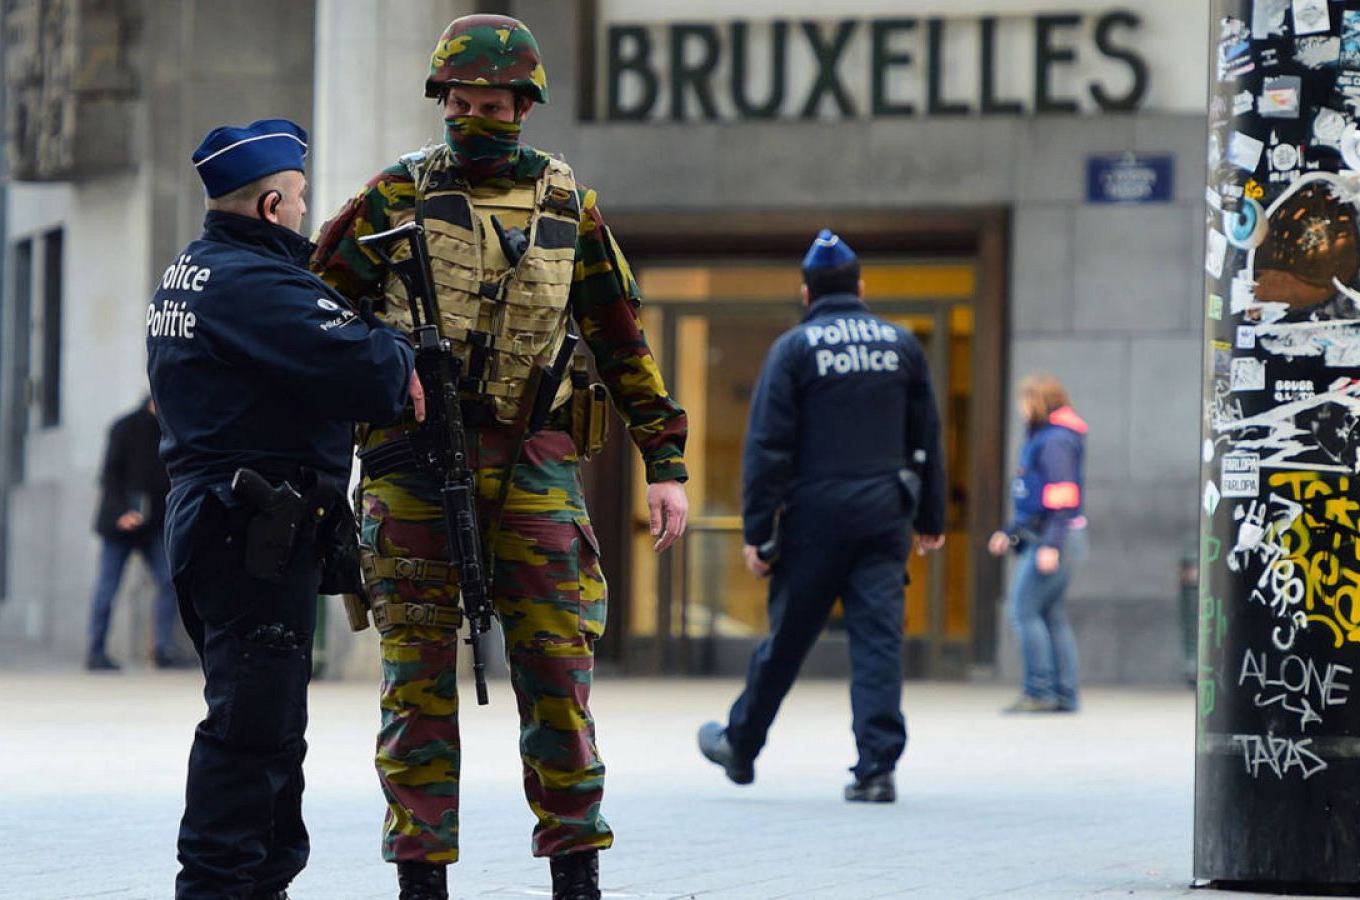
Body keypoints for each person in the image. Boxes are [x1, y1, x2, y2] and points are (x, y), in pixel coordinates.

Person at [312, 15, 690, 900]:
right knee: (414, 678)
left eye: (492, 105)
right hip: (410, 464)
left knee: (558, 672)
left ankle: (575, 869)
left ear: (525, 107)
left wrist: (664, 460)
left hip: (534, 465)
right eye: (461, 103)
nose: (474, 117)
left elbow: (620, 337)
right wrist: (376, 379)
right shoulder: (392, 196)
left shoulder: (570, 208)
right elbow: (316, 319)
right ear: (441, 99)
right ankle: (420, 877)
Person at [149, 118, 416, 900]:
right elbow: (373, 370)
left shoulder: (194, 271)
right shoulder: (252, 284)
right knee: (249, 733)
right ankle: (223, 888)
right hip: (250, 532)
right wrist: (395, 351)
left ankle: (257, 885)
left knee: (265, 728)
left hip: (225, 524)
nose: (306, 214)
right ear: (271, 206)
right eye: (299, 201)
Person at [697, 229, 946, 805]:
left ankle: (741, 746)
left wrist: (758, 531)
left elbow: (767, 447)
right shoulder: (901, 344)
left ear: (805, 294)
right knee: (879, 641)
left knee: (786, 640)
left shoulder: (795, 348)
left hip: (814, 518)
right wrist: (930, 516)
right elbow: (926, 437)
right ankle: (877, 768)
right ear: (860, 287)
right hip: (886, 514)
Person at [987, 373, 1087, 714]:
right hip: (1052, 535)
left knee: (1023, 610)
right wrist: (1011, 530)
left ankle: (1040, 691)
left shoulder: (1054, 440)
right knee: (1051, 615)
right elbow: (1035, 496)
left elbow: (1061, 496)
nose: (1020, 407)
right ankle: (1063, 693)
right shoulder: (1049, 436)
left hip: (1052, 537)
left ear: (1038, 401)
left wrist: (1050, 545)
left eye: (1024, 400)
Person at [85, 395, 188, 671]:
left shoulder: (174, 430)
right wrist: (121, 512)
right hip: (120, 524)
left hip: (154, 524)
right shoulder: (127, 427)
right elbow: (109, 475)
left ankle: (162, 648)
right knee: (108, 586)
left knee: (170, 580)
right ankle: (95, 650)